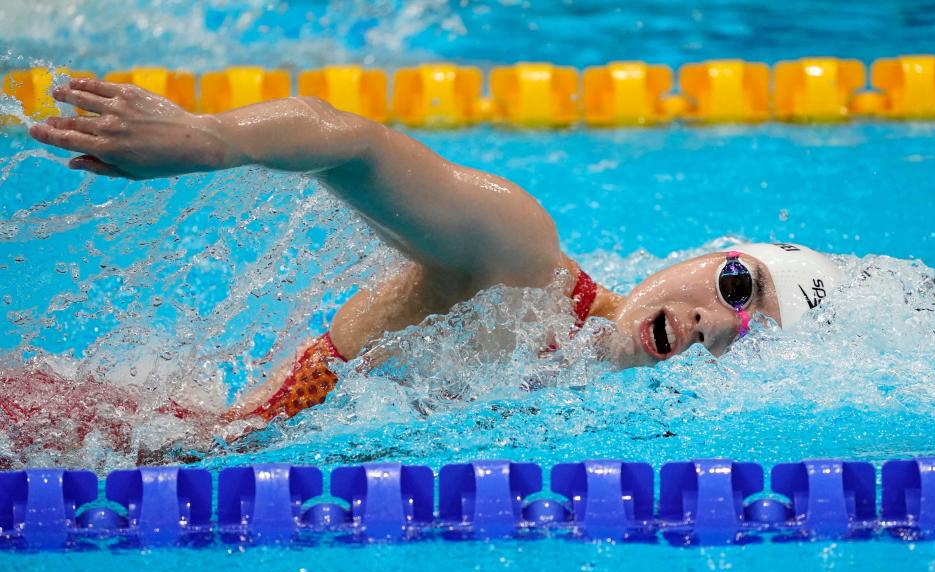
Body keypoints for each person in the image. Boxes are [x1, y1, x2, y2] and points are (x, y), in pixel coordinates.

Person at [27, 78, 843, 430]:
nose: (717, 324)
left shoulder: (588, 392)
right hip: (142, 435)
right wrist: (207, 138)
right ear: (707, 253)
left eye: (751, 329)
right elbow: (357, 145)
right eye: (740, 284)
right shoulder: (523, 266)